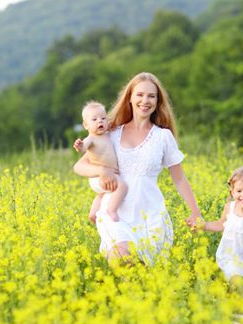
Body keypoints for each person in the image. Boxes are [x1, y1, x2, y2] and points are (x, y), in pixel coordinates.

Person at [73, 72, 201, 264]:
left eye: (151, 96)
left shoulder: (163, 136)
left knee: (145, 277)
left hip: (150, 213)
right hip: (116, 214)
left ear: (158, 102)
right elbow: (80, 166)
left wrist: (196, 212)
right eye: (140, 95)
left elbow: (180, 178)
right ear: (130, 98)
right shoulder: (112, 133)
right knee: (122, 260)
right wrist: (103, 171)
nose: (145, 100)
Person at [73, 101, 127, 223]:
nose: (100, 121)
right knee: (122, 186)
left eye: (103, 118)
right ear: (86, 125)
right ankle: (111, 210)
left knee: (101, 195)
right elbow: (83, 148)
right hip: (100, 176)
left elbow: (115, 125)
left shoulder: (108, 135)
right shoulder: (91, 139)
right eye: (94, 119)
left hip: (101, 180)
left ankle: (93, 214)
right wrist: (80, 146)